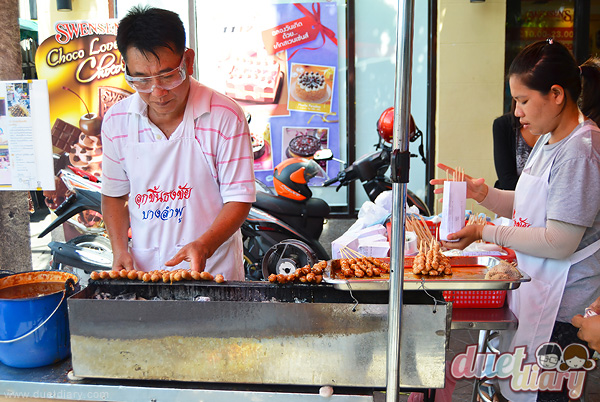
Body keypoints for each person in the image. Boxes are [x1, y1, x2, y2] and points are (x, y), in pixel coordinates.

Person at [431, 39, 600, 402]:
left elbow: (559, 240)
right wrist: (484, 194)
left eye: (523, 100)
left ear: (556, 94)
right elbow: (528, 206)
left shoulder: (580, 152)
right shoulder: (548, 139)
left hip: (565, 314)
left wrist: (484, 231)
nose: (516, 112)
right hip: (537, 291)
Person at [101, 6, 255, 280]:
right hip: (145, 273)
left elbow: (239, 198)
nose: (157, 92)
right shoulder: (116, 121)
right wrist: (119, 249)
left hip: (213, 271)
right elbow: (114, 194)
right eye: (142, 80)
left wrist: (204, 244)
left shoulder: (224, 116)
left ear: (188, 61)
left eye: (168, 75)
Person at [492, 107, 538, 190]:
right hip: (511, 198)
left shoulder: (558, 129)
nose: (517, 113)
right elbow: (507, 181)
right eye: (516, 100)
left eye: (524, 101)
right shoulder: (503, 124)